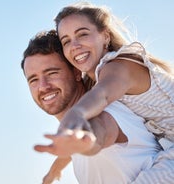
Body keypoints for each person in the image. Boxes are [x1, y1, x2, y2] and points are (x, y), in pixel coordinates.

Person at [52, 2, 174, 183]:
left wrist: (76, 114)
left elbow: (102, 94)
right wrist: (56, 168)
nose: (74, 45)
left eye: (82, 34)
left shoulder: (118, 66)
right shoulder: (98, 79)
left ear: (105, 36)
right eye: (66, 41)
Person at [21, 30, 161, 184]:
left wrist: (85, 141)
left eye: (52, 73)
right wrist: (54, 171)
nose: (43, 86)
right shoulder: (72, 137)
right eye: (33, 80)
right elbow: (73, 147)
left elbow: (99, 132)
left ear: (76, 72)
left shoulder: (106, 114)